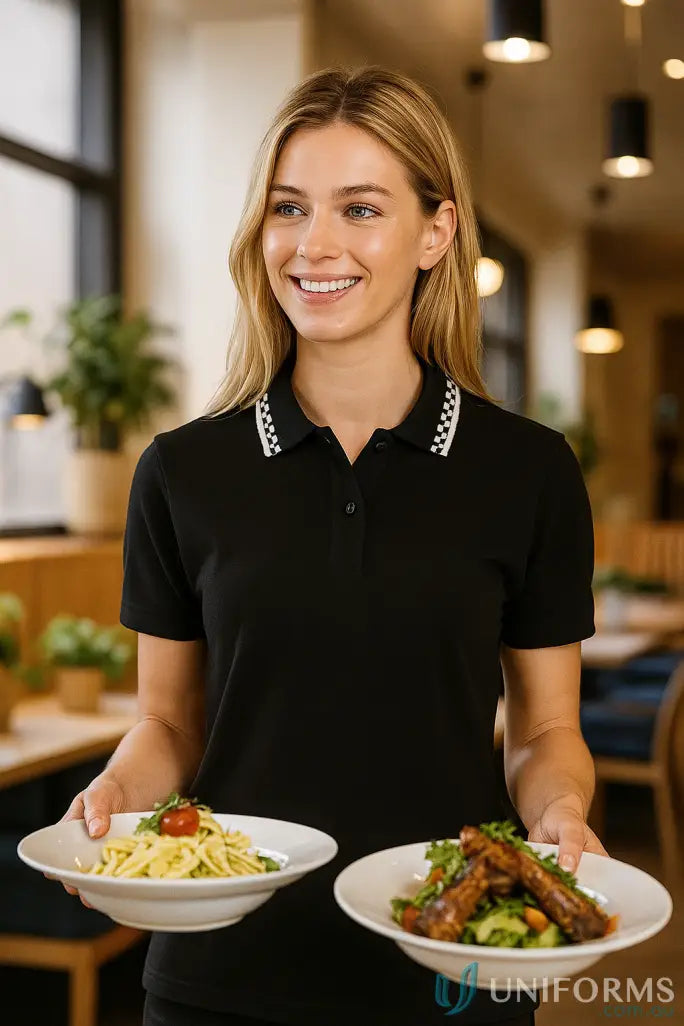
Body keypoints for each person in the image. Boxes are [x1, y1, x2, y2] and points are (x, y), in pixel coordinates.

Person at [51, 66, 606, 1026]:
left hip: (456, 963)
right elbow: (170, 724)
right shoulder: (182, 471)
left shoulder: (530, 470)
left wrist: (559, 814)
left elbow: (545, 732)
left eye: (361, 209)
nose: (314, 244)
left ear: (436, 233)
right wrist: (110, 799)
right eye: (288, 208)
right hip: (220, 975)